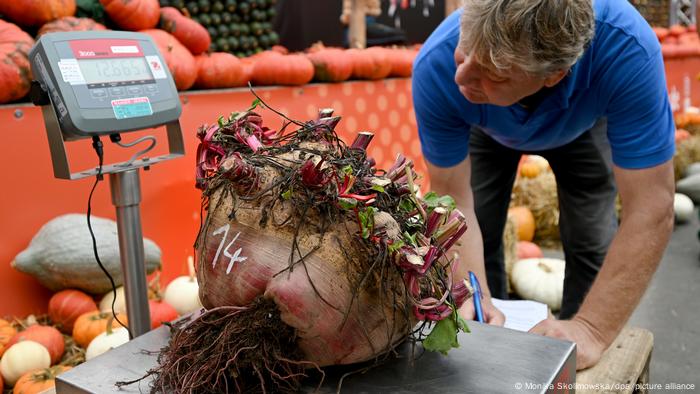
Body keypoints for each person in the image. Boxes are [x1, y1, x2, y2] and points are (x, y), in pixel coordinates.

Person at [412, 0, 674, 370]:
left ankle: (574, 337)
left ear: (555, 75)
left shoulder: (627, 50)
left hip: (583, 125)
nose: (462, 77)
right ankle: (490, 317)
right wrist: (471, 292)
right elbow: (452, 196)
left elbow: (652, 206)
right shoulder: (439, 66)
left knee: (590, 232)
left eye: (494, 72)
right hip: (487, 128)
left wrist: (592, 329)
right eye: (465, 50)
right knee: (480, 224)